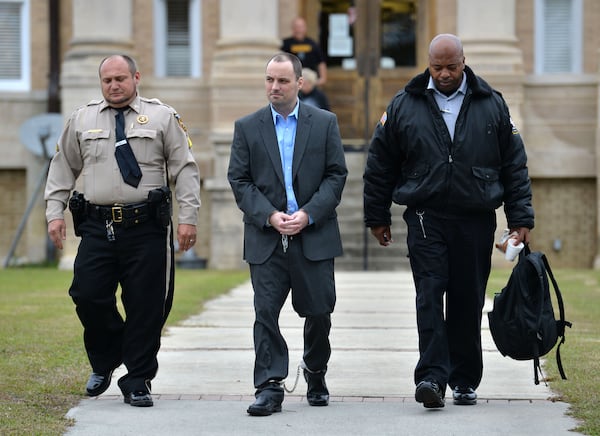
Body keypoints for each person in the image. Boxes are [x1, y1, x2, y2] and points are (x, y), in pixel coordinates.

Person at [363, 34, 534, 408]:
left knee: (466, 299)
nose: (443, 74)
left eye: (451, 67)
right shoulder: (404, 104)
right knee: (429, 295)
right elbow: (380, 164)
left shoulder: (492, 104)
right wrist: (376, 215)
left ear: (463, 61)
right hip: (426, 216)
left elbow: (514, 167)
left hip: (475, 218)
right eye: (437, 67)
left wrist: (520, 217)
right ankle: (431, 378)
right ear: (428, 63)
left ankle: (464, 379)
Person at [44, 54, 201, 407]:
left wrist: (189, 217)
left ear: (136, 77)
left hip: (145, 227)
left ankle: (138, 379)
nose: (114, 86)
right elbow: (62, 168)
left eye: (120, 79)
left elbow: (185, 169)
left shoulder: (162, 116)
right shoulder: (82, 119)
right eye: (107, 81)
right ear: (101, 83)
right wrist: (54, 213)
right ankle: (107, 357)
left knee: (145, 305)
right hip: (98, 226)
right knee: (87, 294)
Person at [227, 52, 347, 416]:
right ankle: (269, 385)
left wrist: (309, 214)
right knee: (265, 312)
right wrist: (269, 215)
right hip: (266, 238)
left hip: (314, 235)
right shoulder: (247, 127)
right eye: (269, 80)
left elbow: (336, 175)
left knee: (320, 311)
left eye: (281, 80)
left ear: (300, 83)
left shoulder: (324, 123)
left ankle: (315, 370)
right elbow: (239, 180)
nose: (274, 87)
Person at [281, 17, 328, 86]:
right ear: (293, 28)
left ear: (305, 28)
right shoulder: (285, 44)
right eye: (297, 27)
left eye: (301, 27)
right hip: (292, 80)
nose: (299, 30)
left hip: (310, 80)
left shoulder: (313, 44)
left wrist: (322, 79)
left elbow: (321, 62)